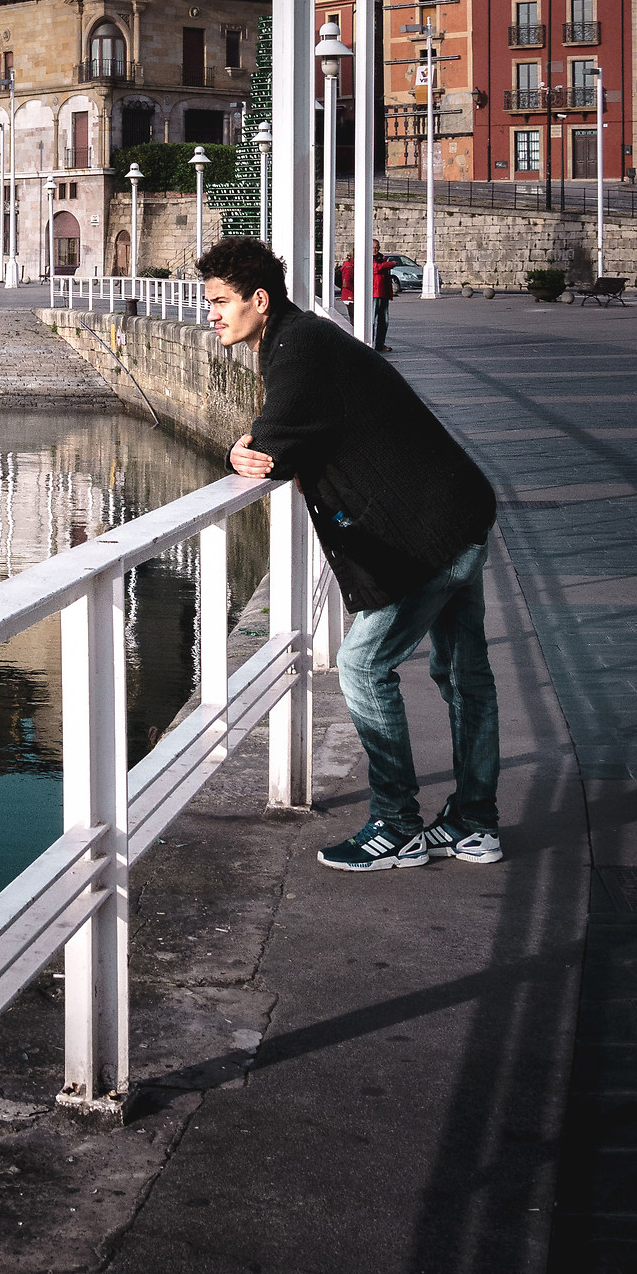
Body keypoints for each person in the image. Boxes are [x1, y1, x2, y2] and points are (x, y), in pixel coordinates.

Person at [197, 232, 501, 873]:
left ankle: (397, 826)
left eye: (221, 301)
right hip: (453, 512)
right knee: (462, 676)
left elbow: (275, 440)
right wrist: (258, 441)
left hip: (426, 533)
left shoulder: (296, 344)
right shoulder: (298, 338)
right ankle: (475, 823)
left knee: (363, 667)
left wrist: (241, 448)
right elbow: (295, 428)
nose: (213, 314)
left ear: (258, 299)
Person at [371, 246, 396, 353]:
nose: (375, 249)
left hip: (384, 293)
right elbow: (375, 268)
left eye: (377, 247)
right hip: (374, 294)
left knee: (384, 321)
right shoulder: (368, 258)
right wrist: (390, 264)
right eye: (373, 247)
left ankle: (380, 344)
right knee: (371, 321)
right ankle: (369, 343)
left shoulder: (382, 258)